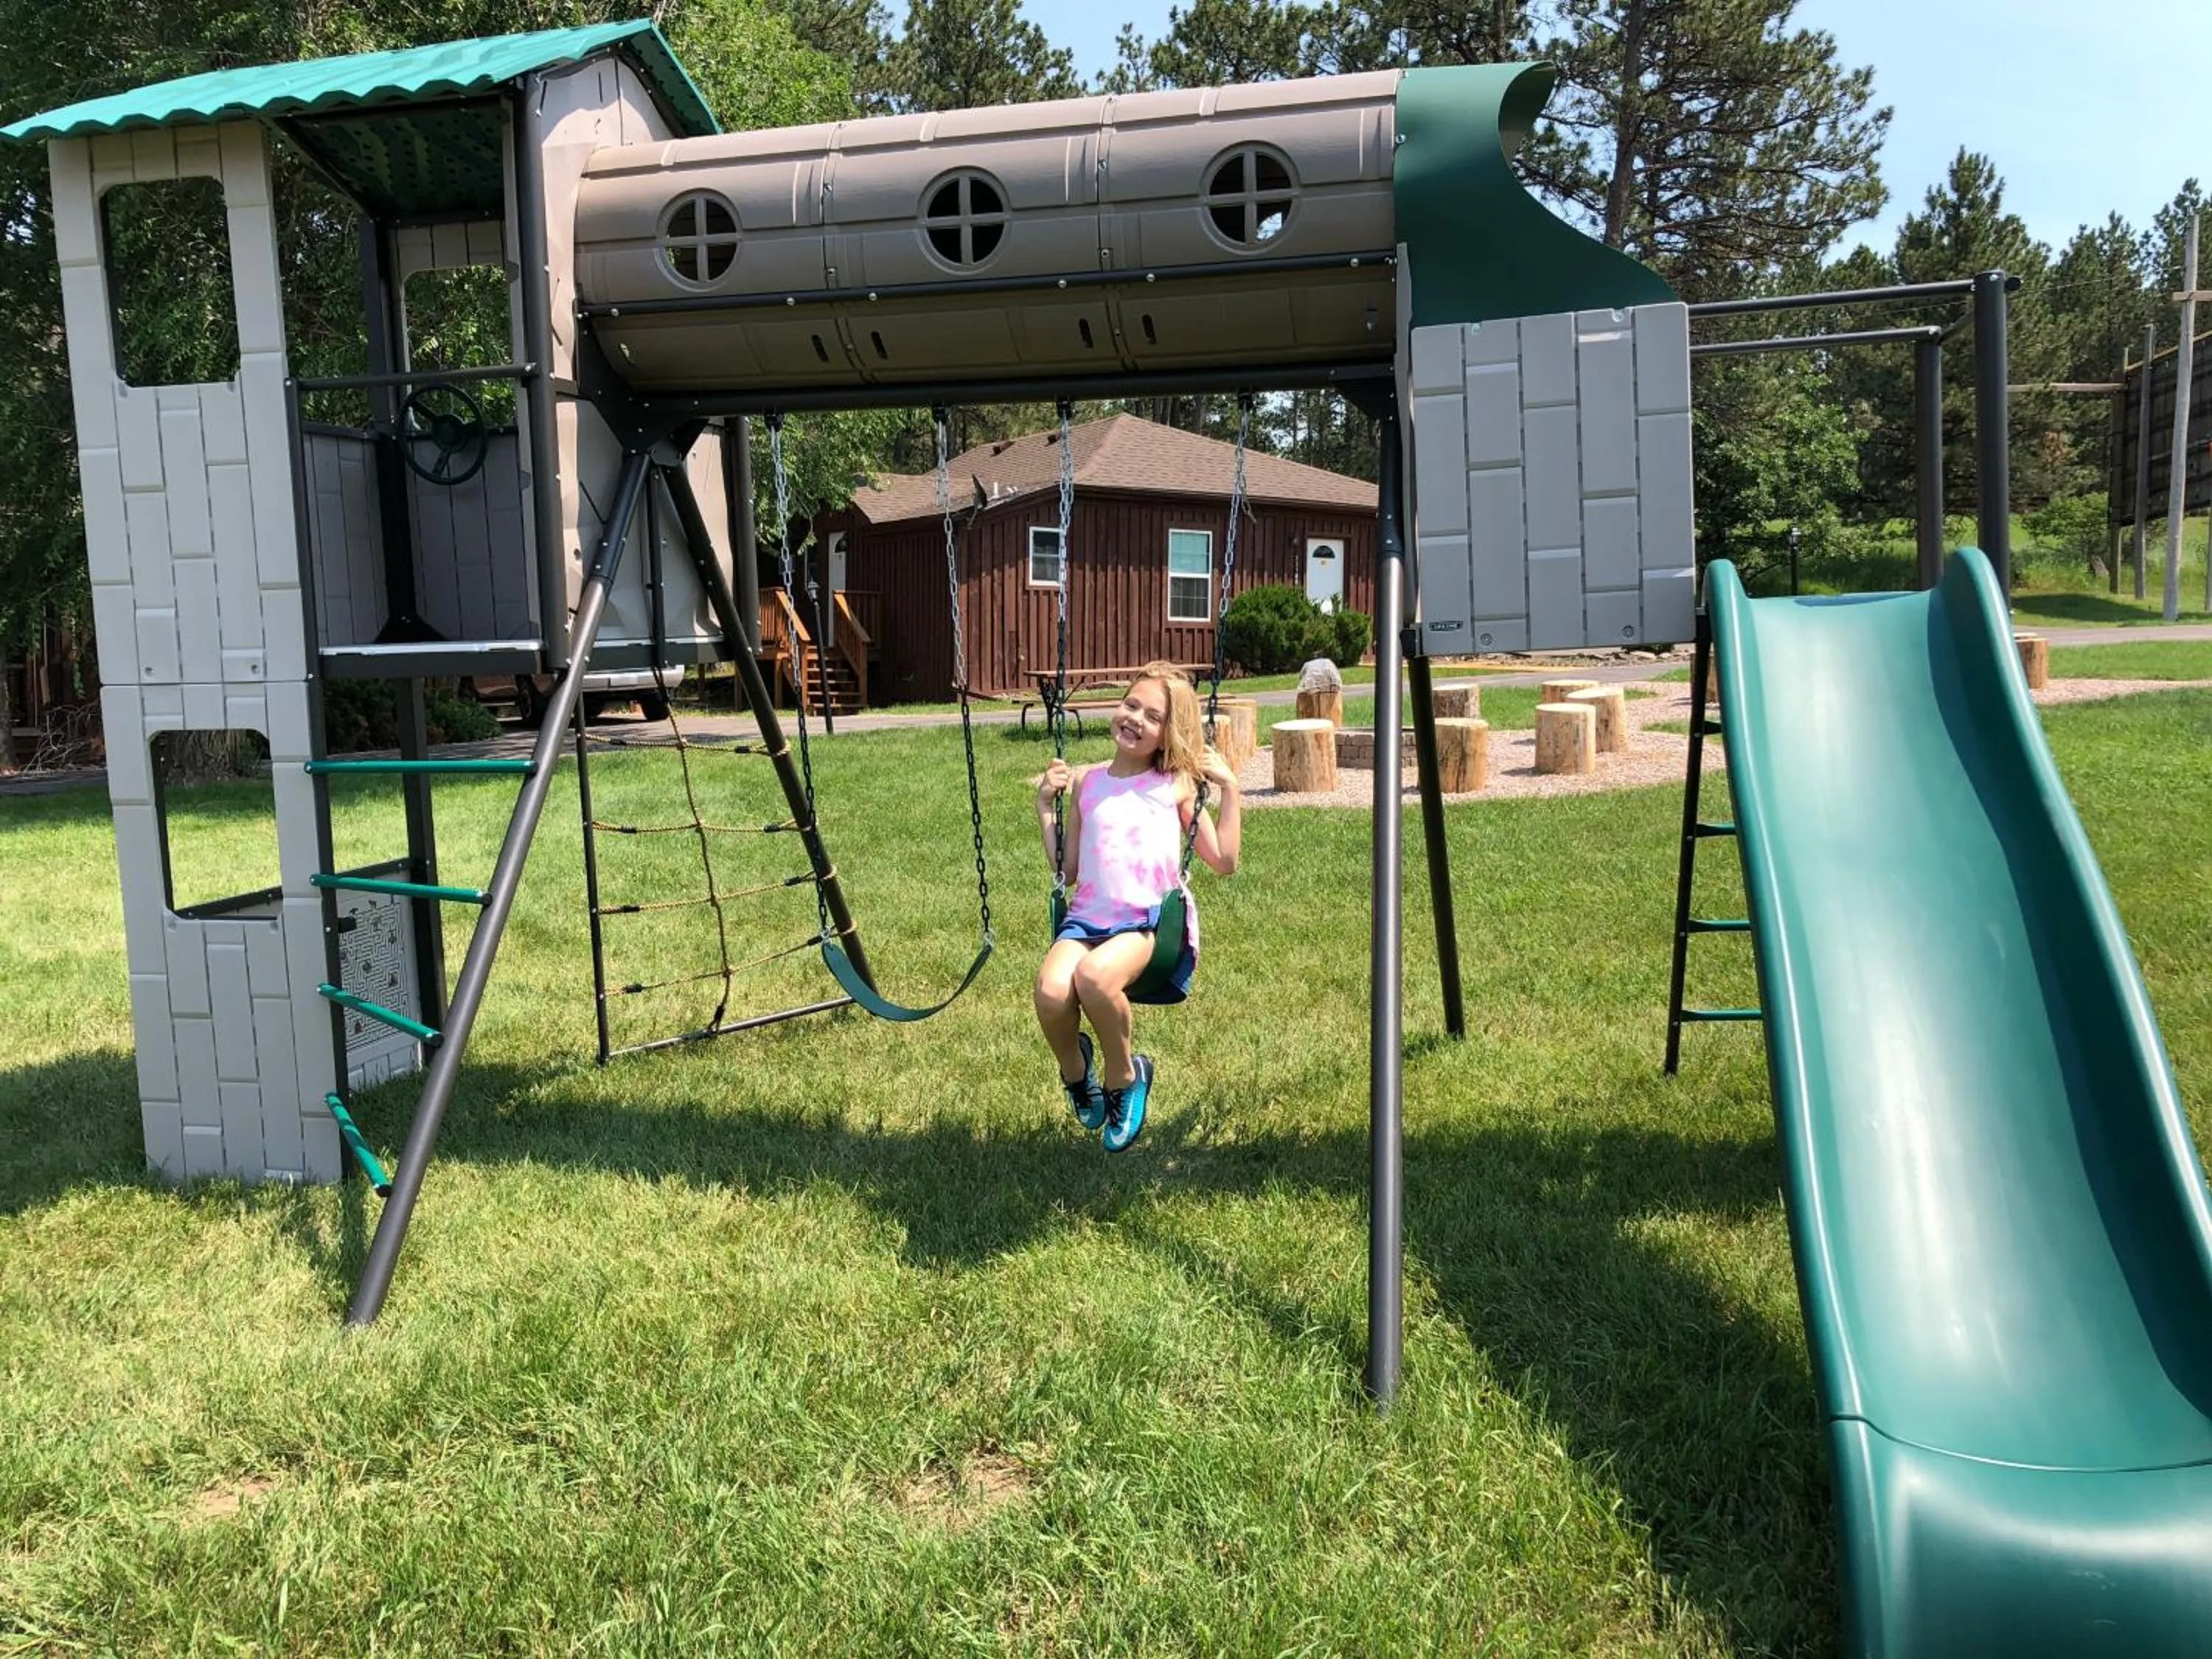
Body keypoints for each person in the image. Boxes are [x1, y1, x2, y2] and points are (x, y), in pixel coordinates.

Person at [1032, 661, 1242, 1152]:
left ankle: (1126, 1077)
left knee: (1095, 977)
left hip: (1147, 923)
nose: (1136, 720)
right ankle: (1076, 1072)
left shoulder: (1177, 785)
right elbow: (1069, 869)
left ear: (1170, 733)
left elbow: (1225, 860)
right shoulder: (1087, 782)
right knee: (1049, 989)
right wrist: (1046, 809)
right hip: (1087, 917)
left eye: (1154, 716)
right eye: (1131, 705)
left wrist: (1231, 789)